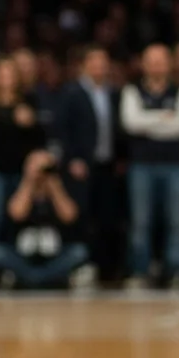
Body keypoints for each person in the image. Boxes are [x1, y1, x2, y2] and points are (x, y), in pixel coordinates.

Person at [120, 43, 179, 289]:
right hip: (142, 165)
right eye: (151, 60)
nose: (156, 65)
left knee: (176, 222)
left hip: (175, 165)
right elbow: (131, 123)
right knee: (141, 222)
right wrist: (166, 119)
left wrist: (149, 122)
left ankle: (175, 271)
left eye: (161, 60)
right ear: (143, 64)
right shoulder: (132, 91)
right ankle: (141, 271)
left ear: (169, 64)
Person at [60, 45, 122, 283]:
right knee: (81, 216)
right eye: (94, 62)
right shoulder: (72, 92)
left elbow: (118, 129)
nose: (99, 67)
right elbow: (63, 130)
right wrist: (73, 158)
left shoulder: (113, 93)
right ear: (84, 65)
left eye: (103, 63)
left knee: (107, 217)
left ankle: (105, 269)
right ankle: (79, 265)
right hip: (81, 166)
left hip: (107, 165)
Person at [0, 58, 46, 258]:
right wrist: (11, 120)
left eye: (10, 73)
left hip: (18, 170)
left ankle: (9, 265)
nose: (7, 78)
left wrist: (30, 123)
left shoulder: (28, 102)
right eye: (2, 74)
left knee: (16, 218)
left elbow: (39, 138)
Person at [0, 150, 88, 289]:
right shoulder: (17, 185)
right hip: (22, 256)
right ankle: (45, 279)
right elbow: (17, 213)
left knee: (79, 252)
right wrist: (29, 182)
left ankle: (33, 279)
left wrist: (54, 186)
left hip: (54, 256)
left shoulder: (61, 185)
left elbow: (69, 216)